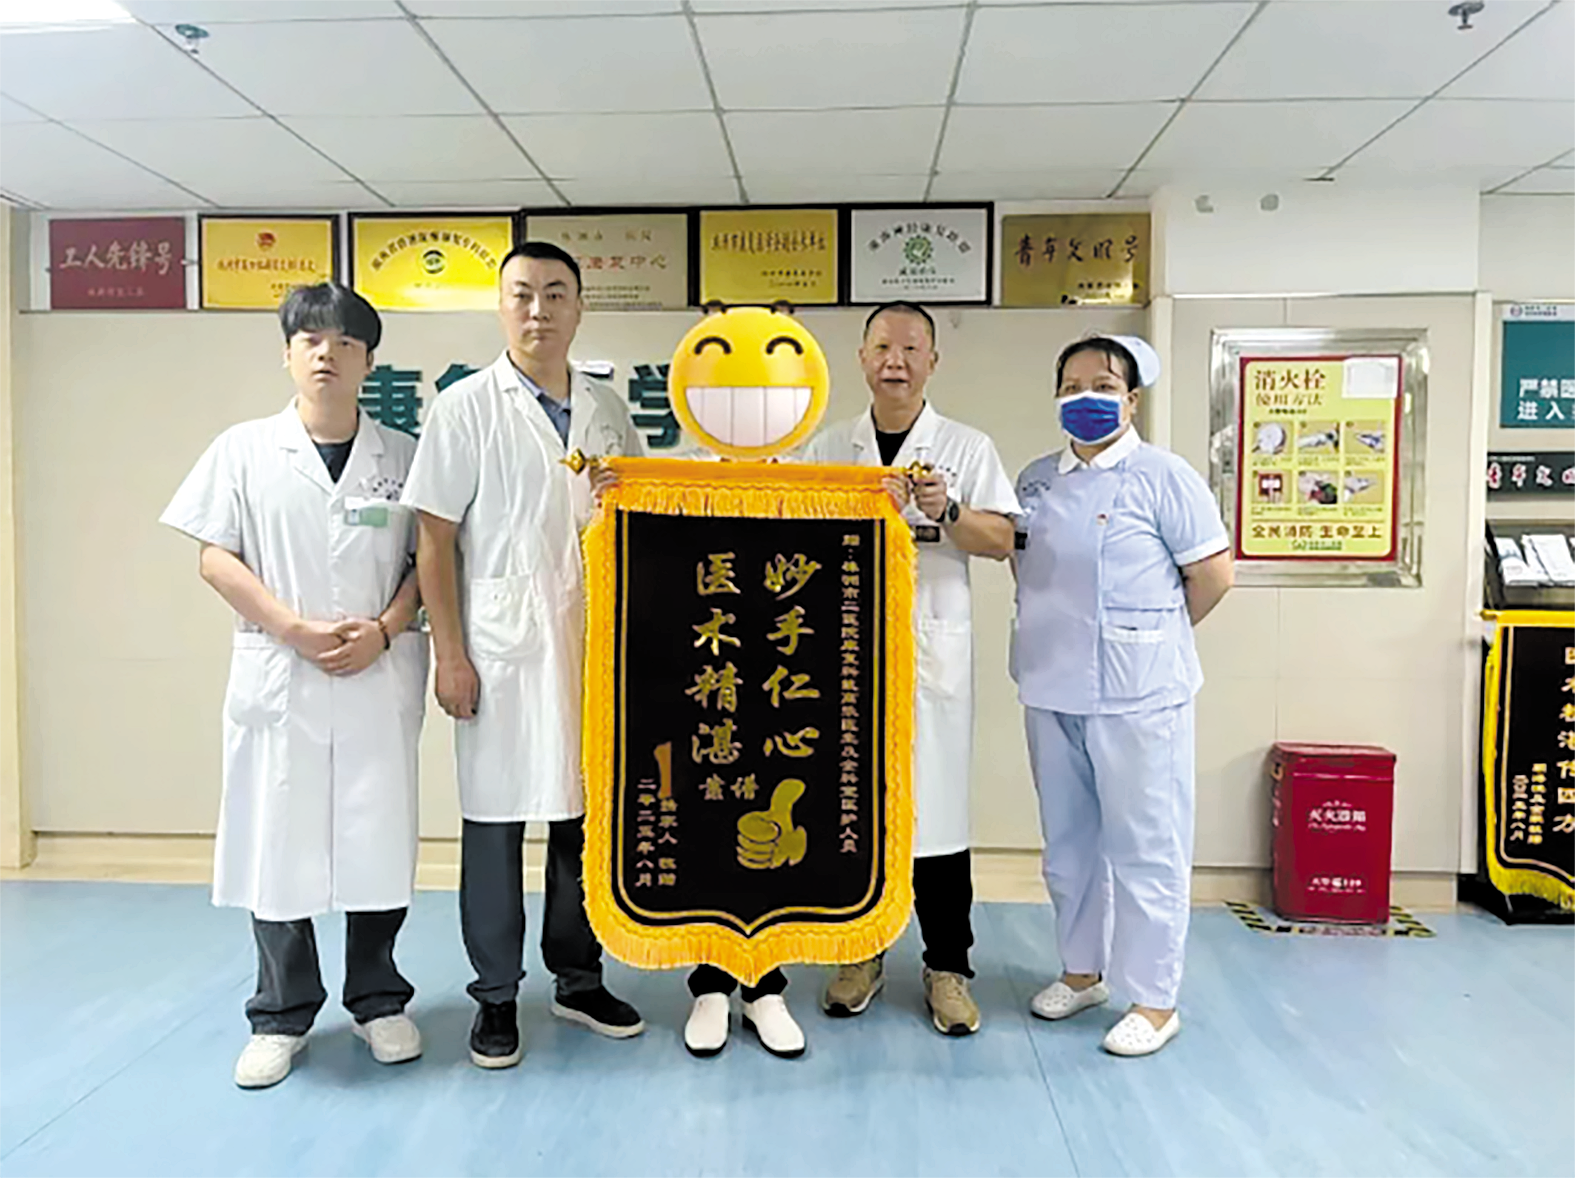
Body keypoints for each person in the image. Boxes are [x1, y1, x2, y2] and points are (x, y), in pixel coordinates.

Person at [160, 283, 428, 1089]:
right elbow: (215, 556)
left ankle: (378, 1001)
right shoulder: (243, 450)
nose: (326, 355)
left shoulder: (404, 455)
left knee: (377, 839)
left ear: (369, 362)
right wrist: (291, 628)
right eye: (311, 340)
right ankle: (279, 1015)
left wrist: (385, 627)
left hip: (376, 669)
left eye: (346, 343)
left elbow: (430, 562)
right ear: (287, 354)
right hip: (283, 670)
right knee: (276, 842)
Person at [401, 241, 646, 1070]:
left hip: (591, 645)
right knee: (495, 823)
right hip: (498, 648)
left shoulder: (607, 408)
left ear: (579, 307)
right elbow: (434, 541)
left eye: (555, 293)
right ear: (501, 306)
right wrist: (450, 655)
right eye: (521, 294)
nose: (538, 309)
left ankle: (578, 980)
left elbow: (635, 516)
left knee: (582, 819)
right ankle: (496, 996)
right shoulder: (464, 407)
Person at [1012, 334, 1233, 1057]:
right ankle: (1082, 973)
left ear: (1131, 400)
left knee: (1146, 848)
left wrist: (1149, 639)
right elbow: (1026, 566)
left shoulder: (1164, 476)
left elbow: (1212, 577)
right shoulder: (1035, 480)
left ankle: (1155, 1001)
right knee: (1068, 846)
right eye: (1072, 385)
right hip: (1050, 685)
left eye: (1104, 386)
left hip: (1140, 696)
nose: (1086, 398)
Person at [803, 301, 1019, 1036]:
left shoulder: (965, 445)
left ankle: (948, 967)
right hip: (844, 657)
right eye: (882, 347)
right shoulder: (829, 447)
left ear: (933, 361)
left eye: (910, 348)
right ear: (861, 358)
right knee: (851, 809)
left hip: (931, 653)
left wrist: (947, 508)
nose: (895, 361)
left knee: (937, 810)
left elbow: (1000, 539)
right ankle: (858, 954)